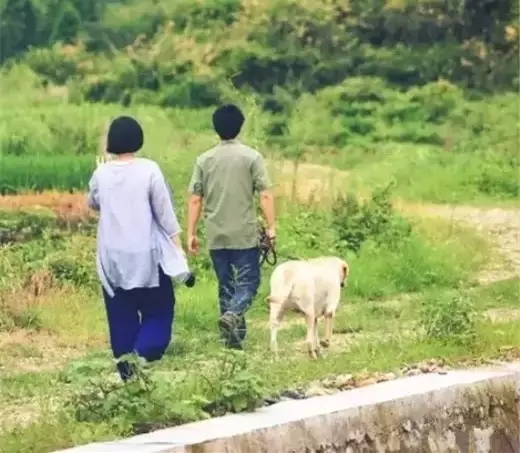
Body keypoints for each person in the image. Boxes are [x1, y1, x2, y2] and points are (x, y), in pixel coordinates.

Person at [87, 115, 195, 381]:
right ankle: (141, 355)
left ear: (111, 142)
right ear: (138, 139)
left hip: (112, 258)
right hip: (147, 256)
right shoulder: (149, 170)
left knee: (120, 314)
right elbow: (165, 215)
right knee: (159, 312)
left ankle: (126, 368)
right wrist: (177, 250)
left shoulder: (101, 172)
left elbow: (92, 202)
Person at [186, 104, 276, 350]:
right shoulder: (251, 157)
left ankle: (233, 343)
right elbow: (265, 195)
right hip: (244, 234)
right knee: (249, 284)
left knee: (226, 285)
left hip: (216, 234)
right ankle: (233, 314)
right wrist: (271, 227)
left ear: (216, 128)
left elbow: (195, 198)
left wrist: (191, 233)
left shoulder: (204, 160)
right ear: (240, 126)